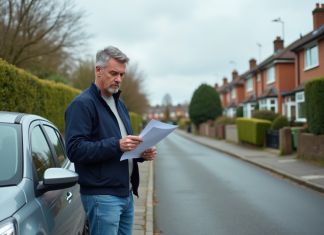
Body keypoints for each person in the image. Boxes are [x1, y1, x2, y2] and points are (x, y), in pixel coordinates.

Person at [64, 46, 157, 235]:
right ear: (98, 70)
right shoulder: (82, 104)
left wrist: (142, 153)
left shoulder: (119, 104)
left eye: (122, 74)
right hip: (102, 196)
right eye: (114, 73)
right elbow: (74, 149)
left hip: (126, 194)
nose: (119, 79)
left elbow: (125, 147)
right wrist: (117, 145)